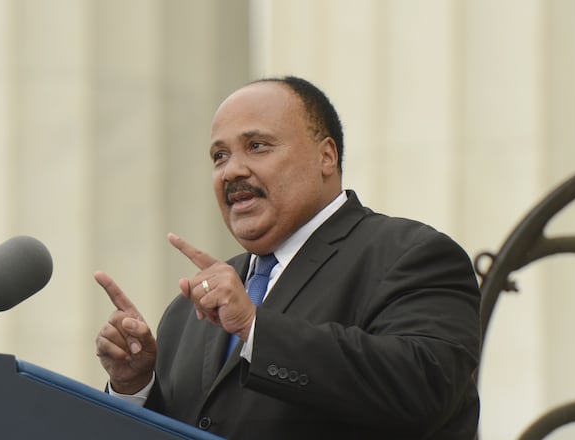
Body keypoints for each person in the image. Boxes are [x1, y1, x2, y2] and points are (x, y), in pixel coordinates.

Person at [94, 76, 481, 439]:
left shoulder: (411, 255)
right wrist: (135, 386)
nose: (232, 170)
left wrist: (254, 328)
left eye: (257, 146)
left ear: (326, 157)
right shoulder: (188, 312)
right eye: (219, 156)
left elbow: (425, 391)